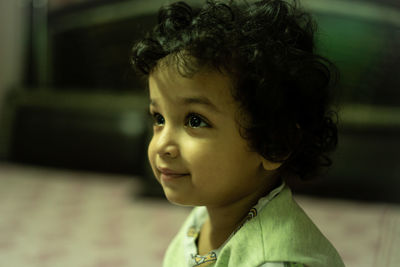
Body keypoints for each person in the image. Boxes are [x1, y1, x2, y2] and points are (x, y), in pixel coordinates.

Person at [131, 0, 345, 266]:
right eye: (159, 118)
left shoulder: (276, 261)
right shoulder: (207, 213)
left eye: (195, 120)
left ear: (275, 143)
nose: (162, 144)